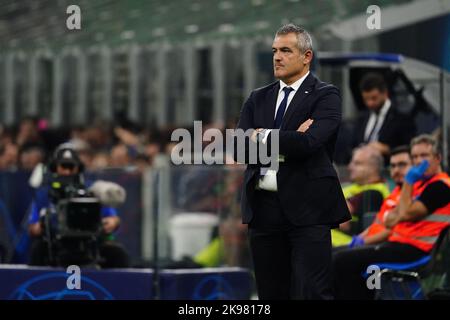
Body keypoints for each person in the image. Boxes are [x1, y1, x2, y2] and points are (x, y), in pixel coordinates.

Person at [235, 24, 351, 300]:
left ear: (306, 56)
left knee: (312, 293)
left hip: (308, 211)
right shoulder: (257, 97)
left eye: (286, 50)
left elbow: (310, 143)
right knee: (270, 295)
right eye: (275, 50)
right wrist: (290, 138)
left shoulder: (326, 95)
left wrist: (262, 136)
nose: (277, 57)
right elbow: (239, 148)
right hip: (263, 211)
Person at [333, 134, 450, 300]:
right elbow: (391, 219)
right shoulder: (421, 186)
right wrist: (400, 211)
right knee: (337, 258)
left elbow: (403, 213)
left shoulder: (440, 186)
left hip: (415, 250)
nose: (418, 161)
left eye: (424, 156)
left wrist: (408, 182)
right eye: (415, 156)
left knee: (343, 261)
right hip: (398, 244)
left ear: (438, 158)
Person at [28, 146, 129, 268]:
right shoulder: (44, 194)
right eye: (64, 166)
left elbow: (113, 218)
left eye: (71, 167)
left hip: (90, 243)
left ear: (78, 168)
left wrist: (113, 222)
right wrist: (43, 225)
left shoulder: (91, 190)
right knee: (37, 250)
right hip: (56, 244)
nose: (67, 172)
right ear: (55, 167)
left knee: (117, 253)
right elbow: (32, 227)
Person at [347, 145, 412, 248]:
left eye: (357, 163)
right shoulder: (396, 192)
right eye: (393, 166)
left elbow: (391, 228)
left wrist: (362, 242)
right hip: (357, 243)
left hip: (374, 245)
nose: (350, 167)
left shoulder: (375, 192)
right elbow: (377, 224)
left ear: (373, 167)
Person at [352, 72, 416, 158]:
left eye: (374, 98)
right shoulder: (361, 119)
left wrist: (387, 149)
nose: (370, 103)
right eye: (366, 99)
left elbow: (410, 149)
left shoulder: (403, 119)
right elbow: (352, 145)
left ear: (385, 93)